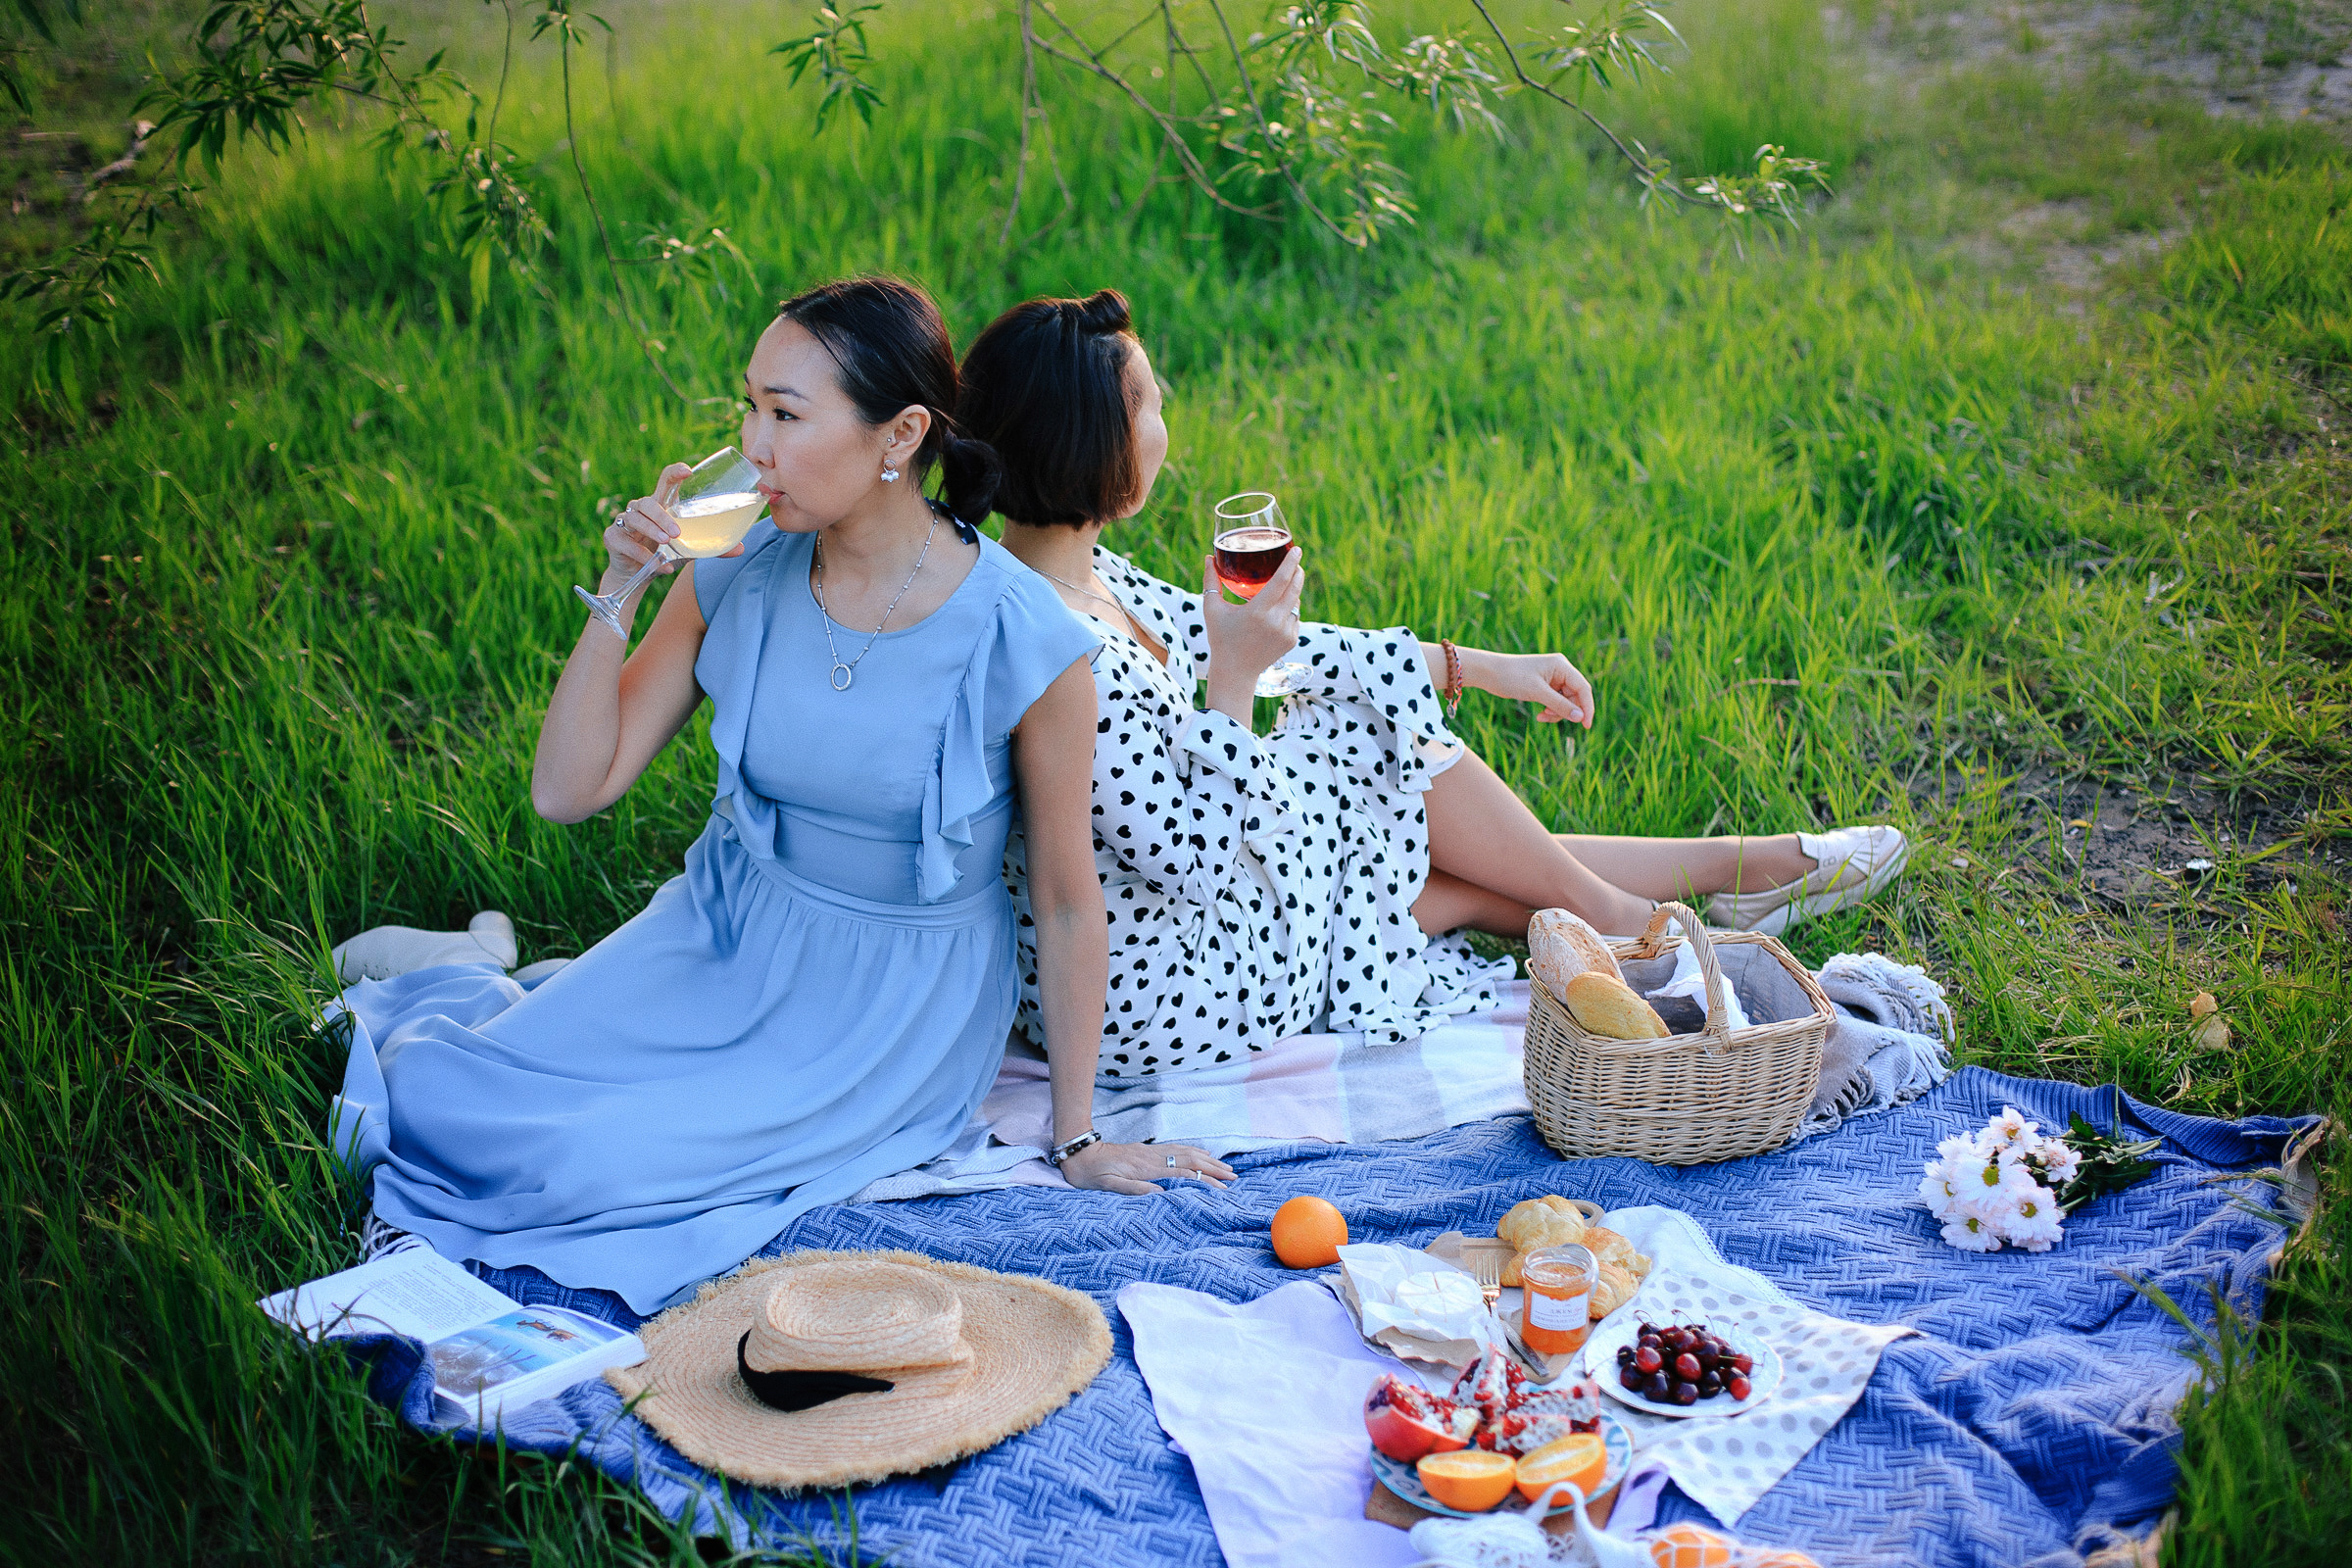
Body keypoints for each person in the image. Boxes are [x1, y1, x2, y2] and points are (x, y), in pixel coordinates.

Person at [329, 278, 1229, 1316]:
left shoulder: (1023, 634)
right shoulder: (739, 565)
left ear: (900, 435)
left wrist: (1077, 1138)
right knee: (458, 1106)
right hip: (725, 927)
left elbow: (1071, 900)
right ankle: (472, 969)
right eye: (750, 407)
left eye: (787, 416)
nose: (754, 446)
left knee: (587, 1165)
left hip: (887, 1004)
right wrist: (618, 590)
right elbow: (569, 792)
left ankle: (479, 966)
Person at [958, 289, 1908, 1078]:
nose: (1167, 424)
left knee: (1422, 820)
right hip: (1171, 989)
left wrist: (1470, 666)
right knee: (1374, 751)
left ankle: (1715, 882)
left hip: (1203, 927)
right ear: (1094, 444)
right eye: (1150, 405)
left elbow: (1280, 650)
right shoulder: (1055, 639)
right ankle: (1674, 924)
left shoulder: (1088, 574)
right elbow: (1192, 857)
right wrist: (1238, 686)